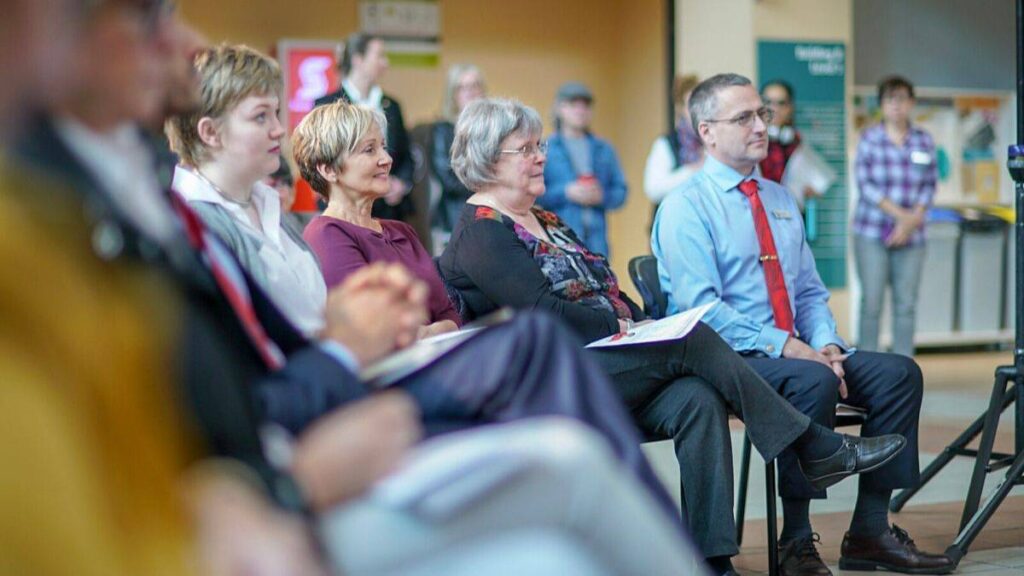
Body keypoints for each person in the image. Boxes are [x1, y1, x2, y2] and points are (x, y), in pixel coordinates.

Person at [15, 17, 710, 576]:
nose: (280, 132)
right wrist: (299, 455)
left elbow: (425, 309)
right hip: (305, 440)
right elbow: (220, 404)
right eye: (264, 117)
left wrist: (358, 342)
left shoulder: (252, 219)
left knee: (604, 443)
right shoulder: (172, 222)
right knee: (549, 388)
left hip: (319, 418)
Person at [439, 97, 906, 576]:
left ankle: (712, 562)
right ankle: (812, 444)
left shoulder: (548, 220)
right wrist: (628, 327)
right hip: (554, 376)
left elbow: (605, 288)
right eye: (527, 149)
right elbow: (542, 311)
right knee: (692, 338)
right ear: (489, 159)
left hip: (608, 361)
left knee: (696, 399)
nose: (542, 156)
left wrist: (639, 320)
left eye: (539, 145)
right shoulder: (481, 231)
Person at [652, 73, 953, 576]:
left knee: (899, 373)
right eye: (743, 117)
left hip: (798, 348)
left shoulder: (780, 198)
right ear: (706, 131)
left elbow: (809, 291)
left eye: (762, 114)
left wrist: (828, 343)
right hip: (729, 358)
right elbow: (702, 310)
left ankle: (870, 531)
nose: (760, 126)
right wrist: (790, 347)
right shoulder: (686, 207)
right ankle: (795, 540)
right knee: (810, 379)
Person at [167, 44, 328, 337]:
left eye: (276, 113)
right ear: (210, 133)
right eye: (260, 117)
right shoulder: (194, 220)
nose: (279, 129)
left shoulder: (264, 201)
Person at [296, 101, 461, 338]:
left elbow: (451, 313)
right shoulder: (326, 234)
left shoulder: (402, 231)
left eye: (383, 147)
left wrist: (426, 332)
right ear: (328, 169)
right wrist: (434, 331)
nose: (387, 159)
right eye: (369, 150)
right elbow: (377, 329)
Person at [853, 76, 936, 357]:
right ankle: (866, 368)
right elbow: (866, 186)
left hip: (913, 238)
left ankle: (904, 368)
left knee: (906, 304)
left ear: (911, 103)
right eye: (890, 99)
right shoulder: (869, 139)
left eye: (902, 98)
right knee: (872, 303)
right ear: (881, 105)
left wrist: (912, 221)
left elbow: (929, 185)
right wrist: (903, 217)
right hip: (871, 233)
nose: (896, 105)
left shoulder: (924, 141)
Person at [315, 33, 414, 224]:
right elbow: (322, 159)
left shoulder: (392, 106)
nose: (385, 62)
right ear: (358, 60)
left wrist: (400, 183)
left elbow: (406, 155)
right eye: (379, 55)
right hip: (345, 212)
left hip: (389, 211)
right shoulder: (326, 106)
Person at [538, 82, 627, 257]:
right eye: (573, 104)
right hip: (558, 239)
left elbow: (621, 191)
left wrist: (602, 196)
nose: (580, 110)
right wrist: (566, 192)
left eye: (585, 105)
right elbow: (533, 193)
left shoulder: (604, 149)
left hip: (597, 242)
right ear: (560, 108)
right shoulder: (546, 149)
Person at [759, 79, 834, 212]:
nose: (774, 108)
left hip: (791, 214)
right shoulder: (748, 142)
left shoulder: (798, 142)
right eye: (768, 102)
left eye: (781, 103)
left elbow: (818, 179)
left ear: (790, 107)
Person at [432, 63, 487, 233]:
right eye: (462, 87)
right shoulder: (442, 130)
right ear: (453, 95)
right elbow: (448, 180)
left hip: (490, 213)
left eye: (474, 85)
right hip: (455, 216)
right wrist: (489, 185)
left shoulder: (494, 128)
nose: (469, 92)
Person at [643, 74, 704, 222]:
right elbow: (653, 189)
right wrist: (693, 170)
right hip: (673, 225)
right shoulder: (666, 144)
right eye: (691, 104)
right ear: (681, 109)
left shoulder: (718, 143)